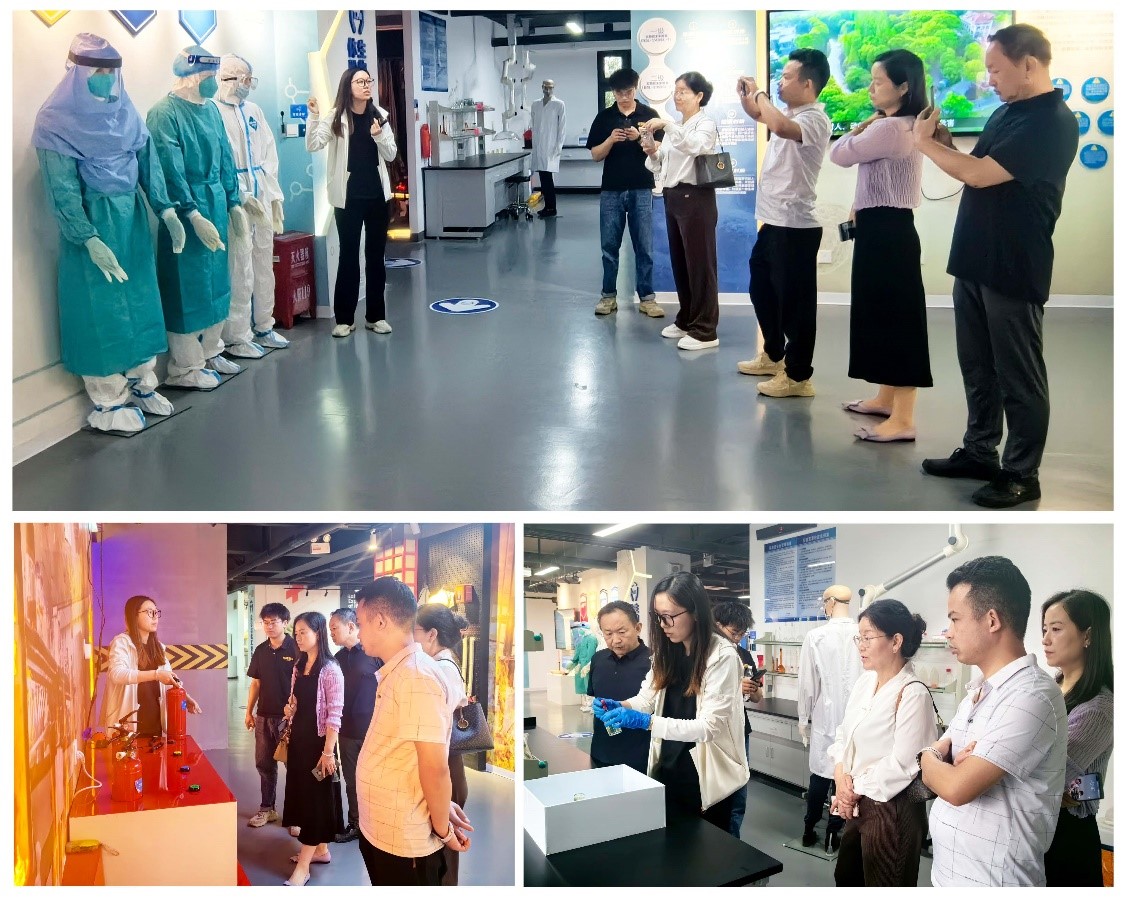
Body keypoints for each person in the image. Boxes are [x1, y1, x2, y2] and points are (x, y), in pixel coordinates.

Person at [915, 24, 1079, 508]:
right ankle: (980, 451)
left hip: (1013, 263)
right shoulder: (1008, 113)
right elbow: (975, 163)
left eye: (995, 69)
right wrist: (944, 142)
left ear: (1028, 64)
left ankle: (1022, 474)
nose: (989, 79)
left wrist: (924, 144)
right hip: (974, 259)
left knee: (1018, 375)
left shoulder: (1050, 122)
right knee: (978, 366)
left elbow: (979, 175)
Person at [33, 32, 185, 434]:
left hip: (131, 222)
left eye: (110, 72)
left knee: (140, 300)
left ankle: (142, 384)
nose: (106, 79)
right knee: (101, 309)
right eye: (97, 72)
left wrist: (166, 210)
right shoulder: (55, 121)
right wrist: (87, 237)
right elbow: (61, 188)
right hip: (93, 226)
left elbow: (147, 162)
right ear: (76, 73)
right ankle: (108, 401)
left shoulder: (125, 111)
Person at [919, 556, 1068, 886]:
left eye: (955, 619)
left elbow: (956, 787)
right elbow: (942, 756)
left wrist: (928, 759)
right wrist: (939, 761)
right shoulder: (979, 691)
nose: (948, 632)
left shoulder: (1033, 695)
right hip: (949, 876)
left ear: (991, 620)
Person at [829, 50, 934, 442]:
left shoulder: (889, 129)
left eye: (878, 82)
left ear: (903, 87)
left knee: (896, 319)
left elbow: (839, 154)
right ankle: (886, 399)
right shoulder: (901, 125)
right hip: (885, 229)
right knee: (882, 314)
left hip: (887, 233)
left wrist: (860, 127)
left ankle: (904, 419)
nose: (871, 88)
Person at [593, 572, 747, 831]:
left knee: (707, 846)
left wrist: (647, 722)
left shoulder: (722, 657)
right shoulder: (666, 652)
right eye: (658, 616)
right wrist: (623, 706)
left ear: (695, 612)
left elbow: (709, 727)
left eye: (669, 616)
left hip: (705, 774)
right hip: (669, 765)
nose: (663, 625)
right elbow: (646, 699)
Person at [353, 577, 472, 885]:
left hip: (404, 839)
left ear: (380, 621)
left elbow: (434, 767)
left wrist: (443, 830)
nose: (358, 632)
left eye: (360, 623)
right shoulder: (400, 671)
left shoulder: (416, 676)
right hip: (385, 828)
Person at [147, 45, 249, 387]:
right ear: (189, 76)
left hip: (216, 203)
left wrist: (233, 202)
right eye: (207, 76)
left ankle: (210, 352)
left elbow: (224, 156)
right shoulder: (163, 114)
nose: (212, 83)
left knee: (217, 282)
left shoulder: (211, 111)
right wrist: (190, 212)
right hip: (184, 212)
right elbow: (168, 168)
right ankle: (184, 367)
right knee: (187, 285)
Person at [736, 50, 832, 397]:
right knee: (762, 290)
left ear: (808, 84)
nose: (780, 81)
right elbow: (759, 114)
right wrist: (748, 96)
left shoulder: (815, 119)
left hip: (795, 226)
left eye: (787, 77)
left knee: (796, 307)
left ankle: (798, 377)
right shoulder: (790, 113)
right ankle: (774, 355)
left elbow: (777, 125)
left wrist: (761, 93)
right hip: (775, 222)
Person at [828, 599, 936, 886]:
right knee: (847, 879)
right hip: (857, 801)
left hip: (891, 810)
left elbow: (903, 765)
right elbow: (843, 735)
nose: (860, 646)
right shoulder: (865, 683)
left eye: (868, 637)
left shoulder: (913, 693)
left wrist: (850, 791)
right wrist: (841, 777)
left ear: (895, 641)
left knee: (885, 882)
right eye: (859, 638)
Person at [306, 68, 397, 338]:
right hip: (347, 198)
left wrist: (379, 135)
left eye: (369, 81)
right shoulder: (336, 117)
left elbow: (391, 155)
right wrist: (313, 117)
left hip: (377, 197)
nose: (367, 85)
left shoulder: (379, 115)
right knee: (348, 257)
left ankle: (376, 317)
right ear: (349, 85)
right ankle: (345, 319)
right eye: (361, 81)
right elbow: (313, 145)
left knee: (376, 257)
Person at [211, 53, 289, 357]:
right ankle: (238, 336)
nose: (246, 85)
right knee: (240, 268)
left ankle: (265, 325)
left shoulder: (253, 110)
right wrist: (242, 195)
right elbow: (221, 162)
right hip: (237, 202)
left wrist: (274, 197)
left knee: (264, 264)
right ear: (227, 78)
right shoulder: (213, 112)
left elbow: (270, 154)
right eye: (243, 79)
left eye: (249, 80)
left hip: (262, 196)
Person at [640, 72, 722, 352]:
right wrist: (652, 151)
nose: (677, 96)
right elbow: (661, 164)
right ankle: (687, 319)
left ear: (699, 96)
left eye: (684, 91)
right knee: (681, 263)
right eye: (676, 91)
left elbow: (697, 146)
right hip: (673, 196)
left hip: (696, 197)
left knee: (701, 265)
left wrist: (667, 125)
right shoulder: (679, 126)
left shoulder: (704, 124)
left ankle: (706, 330)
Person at [1040, 590, 1113, 886]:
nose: (1045, 639)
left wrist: (1072, 791)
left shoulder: (1099, 708)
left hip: (1067, 838)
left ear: (1088, 636)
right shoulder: (1050, 688)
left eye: (1056, 629)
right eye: (1044, 629)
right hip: (1039, 825)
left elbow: (1050, 778)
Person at [586, 66, 664, 318]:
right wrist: (611, 139)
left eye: (628, 92)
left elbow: (658, 150)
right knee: (609, 246)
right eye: (619, 93)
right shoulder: (604, 117)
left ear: (636, 89)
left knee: (644, 246)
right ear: (613, 92)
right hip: (612, 189)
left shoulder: (649, 115)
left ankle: (647, 298)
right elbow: (595, 155)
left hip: (641, 187)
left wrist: (640, 138)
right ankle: (608, 296)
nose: (624, 97)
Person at [797, 585, 862, 851]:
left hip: (825, 719)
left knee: (820, 777)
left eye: (824, 603)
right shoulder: (863, 634)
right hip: (857, 719)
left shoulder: (816, 636)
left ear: (831, 603)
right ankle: (833, 836)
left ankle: (809, 829)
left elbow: (807, 685)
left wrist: (803, 720)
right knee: (843, 778)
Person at [281, 611, 344, 886]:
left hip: (319, 746)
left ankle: (303, 867)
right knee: (304, 797)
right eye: (296, 633)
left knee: (314, 802)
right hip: (299, 742)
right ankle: (321, 851)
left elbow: (334, 715)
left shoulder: (330, 669)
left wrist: (328, 752)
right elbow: (296, 702)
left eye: (303, 632)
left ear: (318, 633)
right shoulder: (299, 666)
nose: (298, 637)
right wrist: (290, 709)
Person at [415, 603, 471, 885]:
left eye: (415, 630)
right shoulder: (441, 664)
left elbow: (436, 726)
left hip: (445, 764)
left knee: (445, 843)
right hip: (444, 762)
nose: (411, 637)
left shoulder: (441, 669)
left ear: (431, 634)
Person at [101, 595, 202, 735]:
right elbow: (117, 675)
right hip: (128, 727)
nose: (155, 617)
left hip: (155, 724)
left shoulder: (158, 647)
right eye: (149, 612)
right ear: (134, 616)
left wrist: (185, 696)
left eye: (156, 612)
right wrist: (156, 674)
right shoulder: (122, 642)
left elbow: (168, 678)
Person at [327, 608, 381, 844]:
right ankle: (356, 824)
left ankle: (376, 824)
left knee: (376, 780)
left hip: (374, 731)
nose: (331, 633)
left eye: (334, 628)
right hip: (346, 732)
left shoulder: (374, 654)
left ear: (351, 626)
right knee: (352, 781)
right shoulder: (337, 659)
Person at [244, 602, 298, 828]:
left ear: (285, 623)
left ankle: (296, 816)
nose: (269, 626)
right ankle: (267, 809)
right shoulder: (260, 650)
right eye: (265, 622)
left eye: (273, 622)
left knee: (294, 767)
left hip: (289, 720)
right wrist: (249, 712)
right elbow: (256, 683)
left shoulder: (296, 649)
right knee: (264, 764)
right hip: (264, 716)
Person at [713, 601, 763, 839]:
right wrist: (734, 687)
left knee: (739, 788)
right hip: (712, 732)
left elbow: (758, 698)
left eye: (741, 634)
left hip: (740, 730)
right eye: (733, 632)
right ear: (717, 625)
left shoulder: (743, 654)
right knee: (714, 791)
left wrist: (751, 688)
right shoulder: (706, 653)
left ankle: (734, 840)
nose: (736, 639)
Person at [586, 601, 652, 774]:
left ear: (638, 628)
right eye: (608, 634)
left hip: (641, 757)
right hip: (601, 752)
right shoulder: (598, 659)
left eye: (622, 632)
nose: (615, 640)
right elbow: (595, 696)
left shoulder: (655, 662)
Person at [530, 79, 566, 218]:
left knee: (547, 178)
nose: (548, 90)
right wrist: (534, 145)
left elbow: (562, 128)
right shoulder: (535, 104)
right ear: (542, 87)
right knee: (544, 178)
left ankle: (551, 208)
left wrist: (558, 147)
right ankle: (548, 207)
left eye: (550, 87)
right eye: (546, 87)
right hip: (539, 146)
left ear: (553, 88)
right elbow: (534, 126)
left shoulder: (559, 104)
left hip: (551, 147)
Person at [565, 622, 598, 712]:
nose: (579, 631)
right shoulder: (584, 638)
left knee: (589, 685)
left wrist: (588, 664)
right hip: (582, 664)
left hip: (588, 664)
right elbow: (580, 652)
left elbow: (591, 653)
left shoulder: (592, 638)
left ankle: (592, 705)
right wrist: (578, 663)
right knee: (584, 685)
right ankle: (588, 704)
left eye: (580, 629)